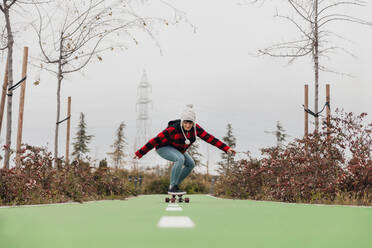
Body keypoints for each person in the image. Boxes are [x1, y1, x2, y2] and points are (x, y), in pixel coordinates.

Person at [133, 104, 236, 193]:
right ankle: (172, 187)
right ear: (182, 121)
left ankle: (174, 185)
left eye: (190, 123)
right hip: (163, 148)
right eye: (185, 123)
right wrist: (140, 153)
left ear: (193, 123)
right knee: (180, 159)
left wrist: (226, 148)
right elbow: (155, 140)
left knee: (191, 164)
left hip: (177, 150)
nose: (187, 125)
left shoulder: (196, 129)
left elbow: (210, 138)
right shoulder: (173, 128)